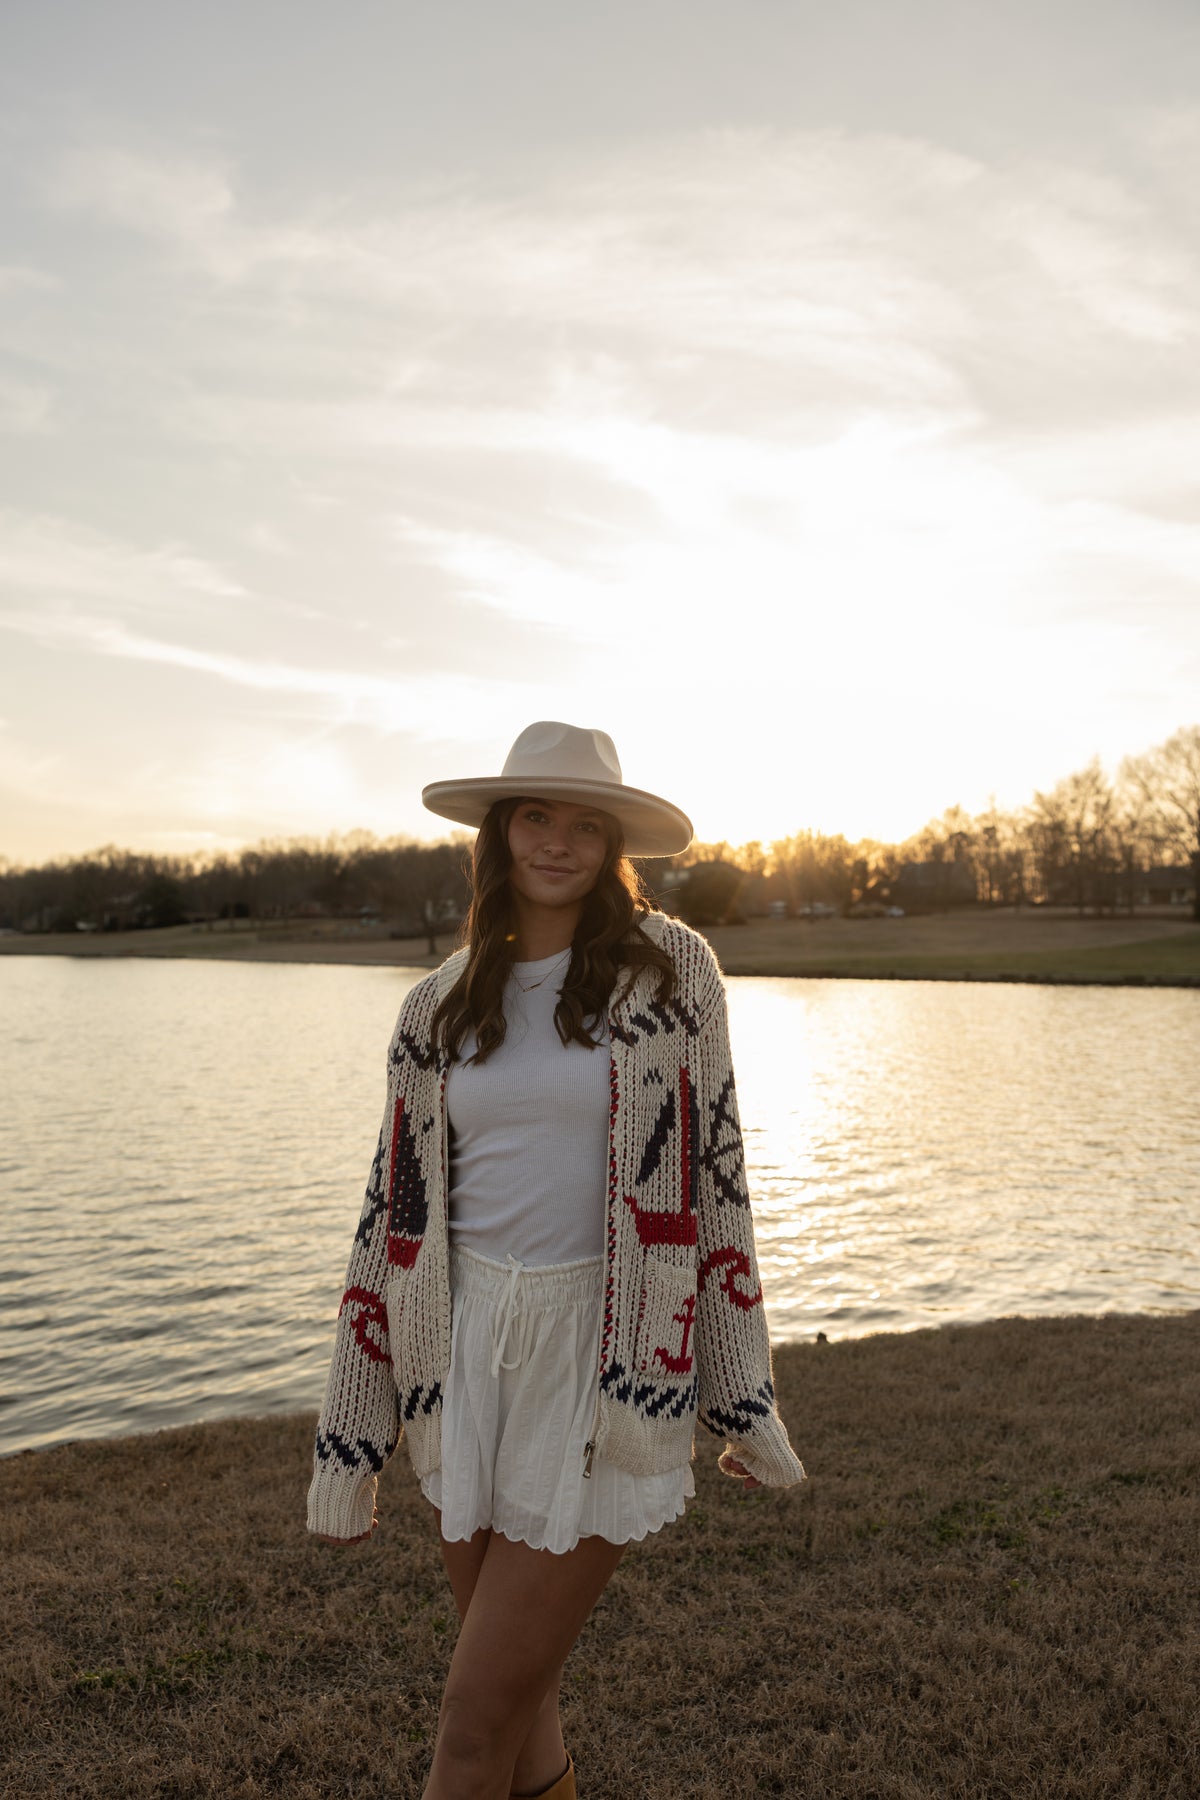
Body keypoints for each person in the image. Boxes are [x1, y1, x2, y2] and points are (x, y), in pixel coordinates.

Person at [307, 720, 806, 1800]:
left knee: (468, 1723)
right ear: (498, 834)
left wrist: (742, 1390)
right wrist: (352, 1436)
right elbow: (386, 1219)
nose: (559, 841)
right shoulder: (433, 1007)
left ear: (615, 844)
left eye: (588, 824)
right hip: (461, 1361)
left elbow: (717, 1184)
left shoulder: (674, 974)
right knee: (520, 1712)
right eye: (536, 815)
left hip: (605, 1365)